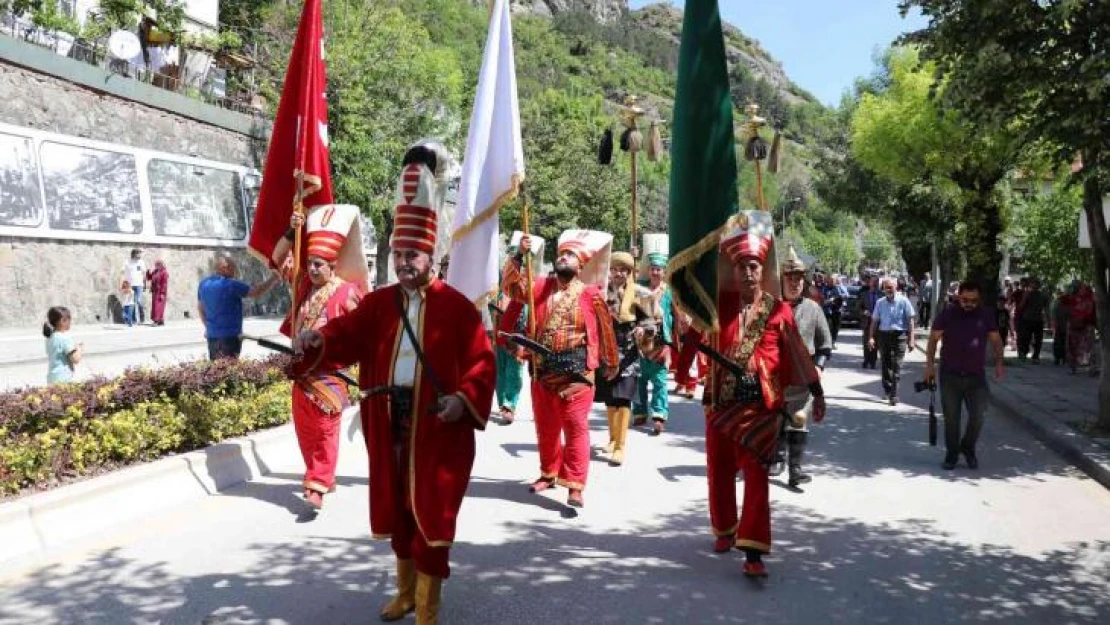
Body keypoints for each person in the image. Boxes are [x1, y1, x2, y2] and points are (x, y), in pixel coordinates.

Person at [292, 141, 495, 624]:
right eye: (398, 253)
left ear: (433, 254)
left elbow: (483, 365)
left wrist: (463, 401)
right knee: (397, 510)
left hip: (438, 428)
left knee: (432, 514)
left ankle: (427, 608)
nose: (405, 261)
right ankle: (404, 593)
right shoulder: (379, 303)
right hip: (388, 422)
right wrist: (313, 339)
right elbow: (344, 335)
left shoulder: (458, 309)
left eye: (415, 254)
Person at [704, 212, 824, 579]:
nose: (747, 273)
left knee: (757, 477)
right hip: (720, 405)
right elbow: (688, 332)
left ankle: (753, 550)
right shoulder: (716, 309)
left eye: (754, 266)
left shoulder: (778, 311)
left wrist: (816, 393)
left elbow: (799, 357)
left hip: (760, 407)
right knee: (719, 472)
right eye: (741, 267)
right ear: (733, 272)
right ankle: (725, 529)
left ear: (762, 270)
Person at [505, 230, 619, 508]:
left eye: (570, 255)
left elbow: (606, 330)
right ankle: (549, 472)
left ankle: (575, 483)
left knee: (576, 427)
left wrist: (611, 362)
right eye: (561, 254)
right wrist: (520, 254)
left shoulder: (591, 294)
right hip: (542, 371)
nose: (563, 258)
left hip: (577, 375)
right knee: (546, 428)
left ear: (580, 266)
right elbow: (511, 289)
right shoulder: (539, 287)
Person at [272, 204, 366, 511]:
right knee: (306, 430)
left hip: (331, 374)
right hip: (301, 372)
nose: (313, 269)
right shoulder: (301, 287)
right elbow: (278, 258)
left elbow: (365, 330)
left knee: (326, 429)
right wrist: (292, 230)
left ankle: (317, 483)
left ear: (333, 266)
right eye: (310, 263)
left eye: (320, 265)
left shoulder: (348, 293)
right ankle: (323, 475)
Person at [924, 281, 1005, 470]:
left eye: (974, 300)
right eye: (965, 300)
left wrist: (999, 362)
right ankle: (952, 454)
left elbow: (996, 340)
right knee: (952, 419)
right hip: (950, 376)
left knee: (978, 416)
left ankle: (967, 448)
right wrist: (929, 366)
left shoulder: (985, 315)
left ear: (979, 299)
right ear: (958, 296)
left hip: (976, 377)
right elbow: (933, 338)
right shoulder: (948, 314)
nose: (969, 303)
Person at [777, 247, 832, 488]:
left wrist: (818, 368)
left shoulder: (813, 308)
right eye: (790, 278)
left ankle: (795, 469)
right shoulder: (770, 306)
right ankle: (775, 457)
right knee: (775, 420)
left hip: (803, 374)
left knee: (798, 419)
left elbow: (825, 344)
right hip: (775, 374)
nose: (795, 283)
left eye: (799, 278)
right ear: (782, 280)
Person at [595, 251, 654, 465]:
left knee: (623, 399)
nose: (618, 273)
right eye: (615, 269)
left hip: (628, 356)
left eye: (623, 270)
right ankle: (612, 439)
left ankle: (620, 447)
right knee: (610, 398)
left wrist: (642, 330)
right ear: (609, 271)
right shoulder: (600, 293)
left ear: (629, 273)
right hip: (605, 355)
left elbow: (650, 323)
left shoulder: (638, 294)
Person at [197, 255, 279, 360]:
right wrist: (273, 278)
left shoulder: (203, 284)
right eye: (233, 268)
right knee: (230, 370)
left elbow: (200, 309)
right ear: (224, 267)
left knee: (216, 370)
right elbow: (255, 292)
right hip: (230, 337)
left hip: (212, 336)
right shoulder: (231, 285)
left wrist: (208, 327)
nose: (235, 272)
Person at [634, 246, 673, 435]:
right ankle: (640, 412)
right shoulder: (640, 288)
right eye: (653, 268)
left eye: (659, 269)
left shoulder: (670, 292)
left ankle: (659, 415)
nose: (656, 272)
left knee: (660, 381)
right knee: (640, 380)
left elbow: (677, 313)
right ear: (648, 270)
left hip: (660, 342)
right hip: (641, 340)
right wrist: (634, 256)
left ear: (664, 272)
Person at [868, 277, 916, 405]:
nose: (888, 290)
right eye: (885, 288)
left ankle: (894, 394)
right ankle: (888, 390)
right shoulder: (880, 302)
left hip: (900, 336)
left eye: (890, 287)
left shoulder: (904, 301)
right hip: (884, 335)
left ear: (896, 287)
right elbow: (874, 321)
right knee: (886, 364)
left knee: (897, 365)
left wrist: (911, 339)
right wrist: (871, 337)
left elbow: (911, 320)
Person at [43, 306, 82, 384]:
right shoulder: (65, 338)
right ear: (62, 320)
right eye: (69, 319)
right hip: (64, 378)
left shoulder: (50, 337)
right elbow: (75, 359)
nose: (71, 322)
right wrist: (79, 349)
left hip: (52, 377)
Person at [1016, 278, 1048, 363]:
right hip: (1028, 319)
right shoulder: (1028, 294)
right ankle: (1025, 354)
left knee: (1037, 339)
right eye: (1033, 284)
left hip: (1037, 319)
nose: (1034, 286)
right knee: (1026, 338)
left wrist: (1048, 320)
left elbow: (1046, 308)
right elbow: (1021, 306)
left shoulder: (1043, 295)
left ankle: (1035, 356)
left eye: (1035, 284)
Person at [1068, 283, 1096, 374]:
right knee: (1074, 346)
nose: (1082, 291)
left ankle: (1090, 367)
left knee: (1088, 347)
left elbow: (1091, 313)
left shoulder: (1091, 300)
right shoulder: (1074, 299)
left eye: (1085, 289)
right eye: (1081, 289)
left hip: (1087, 325)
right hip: (1075, 326)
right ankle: (1074, 366)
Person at [858, 276, 881, 369]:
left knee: (875, 341)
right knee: (866, 341)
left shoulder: (881, 295)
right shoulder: (864, 294)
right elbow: (858, 307)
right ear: (870, 283)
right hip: (867, 321)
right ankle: (866, 360)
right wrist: (863, 312)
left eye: (876, 282)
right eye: (873, 282)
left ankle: (873, 361)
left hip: (878, 322)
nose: (875, 283)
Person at [821, 272, 848, 349]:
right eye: (830, 280)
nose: (831, 282)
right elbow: (821, 297)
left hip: (837, 310)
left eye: (833, 280)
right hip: (827, 310)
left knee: (836, 328)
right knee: (828, 327)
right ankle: (827, 342)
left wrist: (837, 297)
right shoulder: (824, 288)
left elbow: (846, 295)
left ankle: (832, 342)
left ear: (835, 281)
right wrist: (826, 301)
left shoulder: (839, 287)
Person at [121, 248, 148, 325]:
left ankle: (142, 318)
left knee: (138, 301)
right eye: (138, 254)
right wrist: (123, 283)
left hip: (139, 285)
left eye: (140, 254)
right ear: (133, 254)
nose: (140, 256)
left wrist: (145, 284)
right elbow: (122, 272)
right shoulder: (127, 262)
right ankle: (133, 319)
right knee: (130, 302)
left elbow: (144, 274)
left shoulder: (141, 262)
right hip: (129, 285)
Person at [146, 259, 169, 326]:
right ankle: (160, 321)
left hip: (160, 292)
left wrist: (162, 293)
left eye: (157, 264)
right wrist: (148, 272)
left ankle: (156, 321)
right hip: (155, 291)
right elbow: (149, 278)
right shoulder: (155, 271)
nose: (156, 266)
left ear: (161, 265)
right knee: (155, 306)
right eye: (155, 264)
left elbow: (164, 284)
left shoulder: (164, 272)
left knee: (158, 307)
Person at [1052, 288, 1072, 366]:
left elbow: (1054, 316)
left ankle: (1059, 358)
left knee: (1059, 343)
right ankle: (1062, 358)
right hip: (1062, 327)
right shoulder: (1064, 306)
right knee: (1062, 343)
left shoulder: (1058, 306)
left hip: (1062, 327)